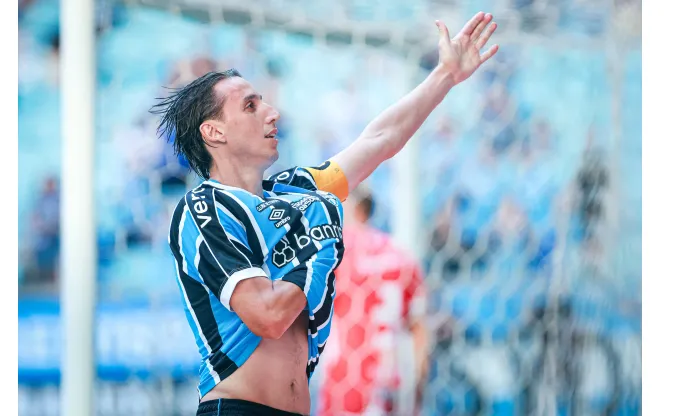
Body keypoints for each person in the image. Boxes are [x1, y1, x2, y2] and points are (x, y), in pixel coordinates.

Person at [151, 12, 499, 416]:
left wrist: (445, 76)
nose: (271, 112)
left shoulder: (297, 191)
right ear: (214, 132)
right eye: (250, 105)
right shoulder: (203, 208)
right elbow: (268, 315)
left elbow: (380, 139)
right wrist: (321, 245)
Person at [318, 187, 428, 416]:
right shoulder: (401, 255)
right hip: (390, 384)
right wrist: (417, 390)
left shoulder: (334, 252)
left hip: (344, 382)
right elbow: (420, 332)